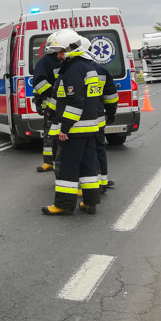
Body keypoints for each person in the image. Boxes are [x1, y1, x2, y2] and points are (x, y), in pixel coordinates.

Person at [41, 30, 102, 216]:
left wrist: (65, 128)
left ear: (71, 49)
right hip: (89, 127)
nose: (58, 55)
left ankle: (64, 205)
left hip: (74, 129)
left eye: (60, 51)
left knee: (66, 166)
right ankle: (90, 202)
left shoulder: (74, 70)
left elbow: (75, 102)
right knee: (88, 166)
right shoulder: (87, 67)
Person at [79, 37, 118, 194]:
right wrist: (111, 113)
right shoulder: (101, 70)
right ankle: (103, 181)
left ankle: (87, 184)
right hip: (98, 117)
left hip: (79, 121)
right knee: (99, 149)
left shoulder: (73, 70)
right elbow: (111, 95)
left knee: (82, 152)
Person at [33, 32, 65, 172]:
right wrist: (54, 93)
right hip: (52, 104)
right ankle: (49, 162)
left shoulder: (70, 61)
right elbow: (38, 83)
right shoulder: (45, 62)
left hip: (69, 104)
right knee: (50, 133)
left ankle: (60, 161)